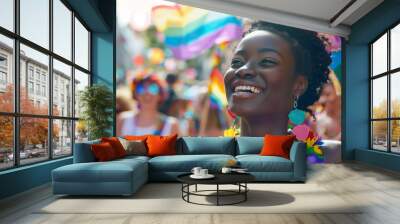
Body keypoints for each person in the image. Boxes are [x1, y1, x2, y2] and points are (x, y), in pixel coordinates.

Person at [224, 21, 331, 136]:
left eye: (267, 61)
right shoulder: (209, 152)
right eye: (237, 61)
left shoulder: (328, 153)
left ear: (298, 85)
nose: (243, 70)